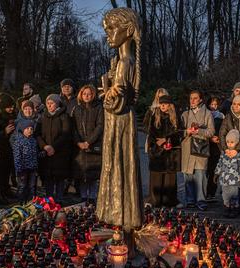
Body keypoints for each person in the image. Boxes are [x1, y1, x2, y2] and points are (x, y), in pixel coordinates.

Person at [96, 8, 144, 235]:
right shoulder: (123, 60)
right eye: (107, 30)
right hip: (120, 123)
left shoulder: (125, 62)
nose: (108, 34)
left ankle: (121, 215)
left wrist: (106, 90)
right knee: (119, 165)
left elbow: (117, 103)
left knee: (119, 165)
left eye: (113, 29)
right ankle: (120, 215)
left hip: (120, 123)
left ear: (129, 30)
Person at [181, 90, 215, 211]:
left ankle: (201, 200)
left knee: (200, 176)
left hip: (201, 148)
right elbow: (180, 132)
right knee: (188, 176)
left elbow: (211, 132)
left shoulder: (207, 113)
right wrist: (187, 132)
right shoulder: (185, 114)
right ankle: (190, 200)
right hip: (187, 149)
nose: (192, 100)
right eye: (191, 98)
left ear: (200, 100)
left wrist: (198, 131)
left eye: (195, 98)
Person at [147, 94, 182, 207]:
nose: (163, 106)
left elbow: (179, 133)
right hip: (157, 150)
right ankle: (155, 200)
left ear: (170, 105)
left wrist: (167, 140)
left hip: (171, 151)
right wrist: (156, 142)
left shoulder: (175, 117)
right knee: (156, 177)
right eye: (161, 104)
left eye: (165, 104)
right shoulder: (154, 117)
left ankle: (170, 201)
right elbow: (150, 133)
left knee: (169, 178)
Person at [36, 94, 72, 203]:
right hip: (46, 153)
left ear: (57, 103)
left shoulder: (64, 116)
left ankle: (60, 199)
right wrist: (45, 146)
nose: (49, 105)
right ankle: (49, 200)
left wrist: (53, 147)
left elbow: (66, 134)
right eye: (48, 103)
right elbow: (37, 134)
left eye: (52, 103)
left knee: (59, 178)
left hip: (60, 153)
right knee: (48, 178)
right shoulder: (42, 117)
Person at [71, 85, 104, 205]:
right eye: (84, 94)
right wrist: (78, 142)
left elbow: (100, 126)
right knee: (82, 173)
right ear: (81, 94)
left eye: (89, 94)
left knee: (93, 174)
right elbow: (73, 128)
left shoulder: (98, 108)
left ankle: (93, 197)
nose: (86, 96)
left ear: (93, 95)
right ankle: (84, 197)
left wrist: (88, 142)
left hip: (93, 145)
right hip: (80, 146)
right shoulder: (77, 108)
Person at [214, 129, 240, 218]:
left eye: (232, 142)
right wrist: (217, 173)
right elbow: (220, 163)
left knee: (234, 195)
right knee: (225, 195)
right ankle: (227, 208)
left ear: (237, 142)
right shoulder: (224, 152)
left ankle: (235, 208)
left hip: (236, 180)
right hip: (225, 180)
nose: (229, 144)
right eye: (228, 142)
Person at [13, 119, 43, 204]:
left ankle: (31, 203)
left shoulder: (33, 141)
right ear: (23, 129)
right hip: (23, 170)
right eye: (27, 128)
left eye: (31, 128)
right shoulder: (18, 141)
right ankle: (21, 203)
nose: (30, 130)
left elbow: (35, 154)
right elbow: (17, 157)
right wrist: (19, 169)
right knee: (22, 186)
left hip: (32, 168)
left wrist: (41, 154)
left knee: (32, 186)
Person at [206, 97, 224, 202]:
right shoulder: (205, 115)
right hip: (206, 145)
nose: (214, 107)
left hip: (216, 147)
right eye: (212, 104)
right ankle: (203, 193)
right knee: (205, 171)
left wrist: (218, 138)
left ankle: (211, 193)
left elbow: (223, 130)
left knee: (214, 171)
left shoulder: (221, 116)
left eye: (216, 105)